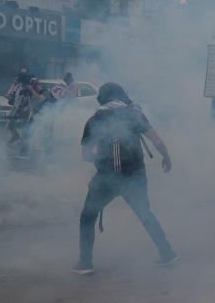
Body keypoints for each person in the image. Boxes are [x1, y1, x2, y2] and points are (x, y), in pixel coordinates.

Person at [74, 82, 177, 275]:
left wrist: (103, 163)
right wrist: (166, 157)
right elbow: (157, 140)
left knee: (88, 216)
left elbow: (86, 155)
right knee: (145, 213)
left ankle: (85, 263)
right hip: (134, 175)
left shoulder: (95, 119)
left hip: (106, 178)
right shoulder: (134, 113)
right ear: (122, 95)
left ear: (102, 98)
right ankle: (167, 253)